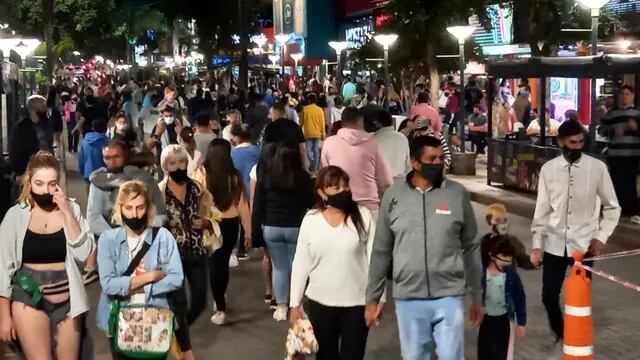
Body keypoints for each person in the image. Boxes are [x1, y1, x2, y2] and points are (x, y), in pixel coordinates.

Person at [366, 135, 483, 360]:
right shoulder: (394, 196)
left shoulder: (457, 194)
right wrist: (373, 298)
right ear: (415, 162)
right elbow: (381, 250)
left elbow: (471, 246)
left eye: (441, 158)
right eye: (432, 159)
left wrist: (476, 295)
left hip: (449, 294)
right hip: (409, 297)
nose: (438, 163)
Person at [530, 120, 620, 353]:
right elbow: (542, 211)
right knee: (549, 296)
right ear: (560, 142)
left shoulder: (597, 168)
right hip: (554, 242)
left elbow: (612, 207)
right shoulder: (548, 170)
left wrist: (601, 237)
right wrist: (537, 245)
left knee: (579, 297)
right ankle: (561, 332)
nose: (577, 146)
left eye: (581, 142)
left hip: (585, 245)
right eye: (572, 142)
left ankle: (575, 336)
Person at [0, 151, 94, 359]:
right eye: (40, 183)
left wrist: (67, 212)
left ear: (58, 184)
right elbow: (3, 269)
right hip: (28, 296)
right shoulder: (15, 216)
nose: (46, 189)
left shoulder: (72, 210)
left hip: (68, 297)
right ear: (29, 183)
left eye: (52, 183)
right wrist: (4, 316)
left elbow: (84, 253)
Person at [289, 166, 377, 360]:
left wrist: (378, 299)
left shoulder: (364, 216)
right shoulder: (311, 220)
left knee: (353, 355)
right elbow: (301, 264)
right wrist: (294, 304)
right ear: (322, 193)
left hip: (356, 304)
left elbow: (375, 262)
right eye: (335, 188)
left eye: (345, 186)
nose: (343, 192)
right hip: (320, 304)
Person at [96, 180, 183, 360]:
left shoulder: (163, 237)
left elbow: (176, 278)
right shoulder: (108, 240)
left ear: (148, 208)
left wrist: (136, 287)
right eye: (128, 208)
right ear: (120, 209)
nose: (134, 214)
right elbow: (108, 285)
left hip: (156, 317)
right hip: (119, 319)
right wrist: (150, 277)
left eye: (140, 208)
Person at [157, 145, 218, 359]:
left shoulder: (198, 189)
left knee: (201, 301)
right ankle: (184, 345)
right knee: (179, 304)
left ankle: (176, 330)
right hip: (171, 258)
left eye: (181, 162)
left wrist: (206, 222)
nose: (178, 167)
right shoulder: (159, 192)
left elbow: (213, 215)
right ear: (165, 166)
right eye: (172, 163)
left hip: (198, 251)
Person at [252, 143, 314, 321]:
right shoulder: (302, 177)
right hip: (296, 227)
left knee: (279, 267)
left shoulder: (267, 177)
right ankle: (298, 305)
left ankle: (280, 306)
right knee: (297, 267)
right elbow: (310, 201)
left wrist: (255, 232)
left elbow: (258, 206)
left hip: (271, 227)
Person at [204, 139, 251, 325]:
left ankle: (220, 306)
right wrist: (248, 231)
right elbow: (242, 205)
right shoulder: (234, 176)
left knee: (213, 264)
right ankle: (220, 298)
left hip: (211, 224)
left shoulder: (203, 174)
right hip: (231, 224)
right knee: (222, 263)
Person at [321, 107, 393, 216]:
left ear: (343, 122)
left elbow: (325, 177)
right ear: (361, 121)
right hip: (369, 207)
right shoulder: (374, 144)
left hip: (339, 207)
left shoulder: (329, 143)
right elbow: (386, 181)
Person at [478, 237, 527, 360]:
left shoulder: (511, 276)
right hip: (486, 320)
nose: (506, 261)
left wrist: (521, 323)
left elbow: (519, 298)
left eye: (509, 258)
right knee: (484, 352)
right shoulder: (481, 273)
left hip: (503, 320)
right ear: (492, 256)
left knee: (502, 353)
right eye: (503, 257)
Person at [600, 85, 640, 224]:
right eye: (622, 93)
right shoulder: (611, 113)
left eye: (627, 93)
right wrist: (612, 130)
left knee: (630, 182)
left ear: (633, 95)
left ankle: (633, 211)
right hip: (615, 153)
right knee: (616, 182)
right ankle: (619, 211)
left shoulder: (637, 113)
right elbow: (601, 131)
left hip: (632, 153)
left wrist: (636, 128)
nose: (624, 96)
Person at [10, 95, 53, 179]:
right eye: (42, 107)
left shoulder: (46, 123)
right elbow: (15, 151)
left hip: (47, 168)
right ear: (32, 110)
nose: (45, 110)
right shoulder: (20, 128)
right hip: (28, 171)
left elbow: (49, 144)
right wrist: (19, 173)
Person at [480, 203, 534, 270]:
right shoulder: (482, 243)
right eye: (498, 220)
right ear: (489, 221)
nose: (503, 224)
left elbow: (522, 259)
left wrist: (534, 262)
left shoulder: (512, 241)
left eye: (505, 220)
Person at [374, 109, 410, 179]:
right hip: (400, 182)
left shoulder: (373, 140)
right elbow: (408, 165)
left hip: (381, 183)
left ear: (378, 123)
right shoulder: (403, 138)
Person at [300, 93, 326, 173]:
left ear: (309, 100)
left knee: (308, 151)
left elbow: (301, 123)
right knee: (316, 151)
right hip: (317, 133)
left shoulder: (305, 109)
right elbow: (322, 123)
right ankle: (315, 167)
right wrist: (323, 134)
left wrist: (299, 131)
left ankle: (313, 164)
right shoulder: (320, 110)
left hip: (308, 134)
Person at [78, 119, 109, 184]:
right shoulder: (107, 142)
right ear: (106, 128)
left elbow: (81, 158)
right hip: (103, 174)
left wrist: (82, 171)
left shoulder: (85, 141)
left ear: (93, 128)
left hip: (88, 173)